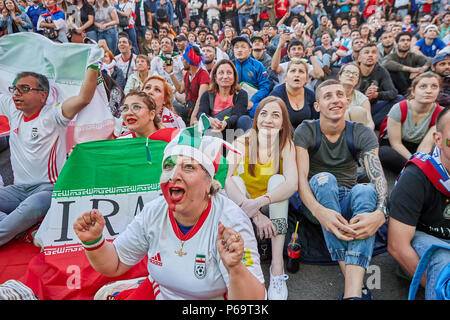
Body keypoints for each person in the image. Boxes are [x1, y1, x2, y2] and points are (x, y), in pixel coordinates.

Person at [73, 121, 266, 300]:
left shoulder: (231, 221)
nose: (174, 176)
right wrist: (94, 241)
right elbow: (114, 264)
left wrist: (235, 268)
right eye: (168, 166)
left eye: (188, 167)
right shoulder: (154, 211)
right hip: (163, 291)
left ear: (209, 184)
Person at [295, 79, 388, 300]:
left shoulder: (361, 132)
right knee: (324, 179)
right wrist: (319, 211)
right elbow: (300, 180)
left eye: (339, 95)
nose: (335, 100)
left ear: (347, 101)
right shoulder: (306, 130)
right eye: (327, 96)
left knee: (366, 191)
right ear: (317, 106)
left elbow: (378, 177)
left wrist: (380, 213)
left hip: (347, 200)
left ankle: (352, 294)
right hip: (315, 202)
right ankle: (356, 283)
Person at [0, 66, 98, 247]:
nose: (17, 94)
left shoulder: (53, 115)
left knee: (30, 208)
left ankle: (19, 225)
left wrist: (92, 65)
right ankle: (21, 229)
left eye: (25, 89)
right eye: (15, 89)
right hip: (17, 190)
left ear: (43, 95)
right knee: (22, 212)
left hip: (48, 190)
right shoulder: (13, 111)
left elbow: (84, 98)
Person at [225, 96, 297, 300]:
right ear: (256, 118)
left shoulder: (285, 145)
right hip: (244, 206)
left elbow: (292, 184)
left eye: (276, 115)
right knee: (235, 181)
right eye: (263, 114)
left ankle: (276, 267)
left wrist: (260, 203)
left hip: (268, 206)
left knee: (278, 181)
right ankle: (248, 266)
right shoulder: (242, 141)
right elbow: (225, 179)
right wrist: (255, 214)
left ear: (283, 122)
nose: (268, 119)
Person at [388, 107, 450, 300]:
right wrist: (439, 288)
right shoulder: (417, 175)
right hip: (425, 242)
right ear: (438, 139)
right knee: (442, 261)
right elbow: (397, 245)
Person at [378, 72, 443, 175]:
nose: (429, 91)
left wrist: (418, 161)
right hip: (397, 148)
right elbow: (396, 143)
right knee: (384, 153)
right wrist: (415, 164)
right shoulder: (399, 108)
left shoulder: (440, 113)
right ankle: (417, 173)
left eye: (434, 86)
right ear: (413, 91)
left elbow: (425, 147)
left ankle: (412, 173)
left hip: (418, 148)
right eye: (423, 86)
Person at [197, 59, 252, 135]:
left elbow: (238, 114)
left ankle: (242, 145)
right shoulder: (207, 94)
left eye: (229, 73)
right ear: (215, 77)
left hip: (233, 131)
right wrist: (210, 120)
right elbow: (200, 113)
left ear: (234, 77)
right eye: (221, 73)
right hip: (213, 131)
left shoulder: (241, 94)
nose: (225, 76)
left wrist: (226, 123)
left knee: (245, 119)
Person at [166, 42, 210, 126]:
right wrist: (171, 73)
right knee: (169, 108)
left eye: (184, 59)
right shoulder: (188, 74)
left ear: (190, 61)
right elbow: (180, 89)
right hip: (188, 107)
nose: (182, 61)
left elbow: (200, 100)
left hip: (199, 110)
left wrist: (193, 116)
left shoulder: (203, 74)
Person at [357, 43, 401, 130]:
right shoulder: (353, 69)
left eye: (373, 52)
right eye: (366, 52)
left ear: (377, 58)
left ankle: (371, 122)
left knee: (399, 99)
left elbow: (393, 92)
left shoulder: (381, 71)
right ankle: (378, 123)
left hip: (372, 108)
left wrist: (376, 95)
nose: (370, 55)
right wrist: (364, 96)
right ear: (359, 58)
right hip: (355, 106)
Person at [269, 59, 318, 129]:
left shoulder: (311, 95)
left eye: (301, 71)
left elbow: (316, 121)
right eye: (293, 71)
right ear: (286, 77)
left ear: (307, 79)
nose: (297, 74)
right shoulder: (276, 95)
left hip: (306, 135)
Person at [382, 31, 432, 97]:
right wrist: (411, 69)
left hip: (410, 83)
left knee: (424, 67)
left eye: (408, 40)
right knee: (395, 71)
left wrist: (421, 70)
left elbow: (430, 60)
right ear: (397, 44)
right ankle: (407, 94)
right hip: (395, 88)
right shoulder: (391, 56)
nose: (406, 42)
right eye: (402, 40)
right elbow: (385, 63)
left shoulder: (412, 56)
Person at [231, 36, 272, 117]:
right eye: (236, 47)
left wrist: (253, 101)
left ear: (250, 50)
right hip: (232, 100)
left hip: (254, 101)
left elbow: (265, 87)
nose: (239, 50)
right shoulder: (229, 65)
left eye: (243, 47)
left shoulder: (257, 65)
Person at [338, 62, 375, 130]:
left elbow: (370, 122)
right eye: (347, 72)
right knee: (344, 114)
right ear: (340, 76)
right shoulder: (330, 92)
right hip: (334, 131)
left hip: (356, 133)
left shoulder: (362, 98)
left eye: (355, 74)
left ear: (358, 80)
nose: (351, 76)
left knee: (358, 111)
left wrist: (368, 133)